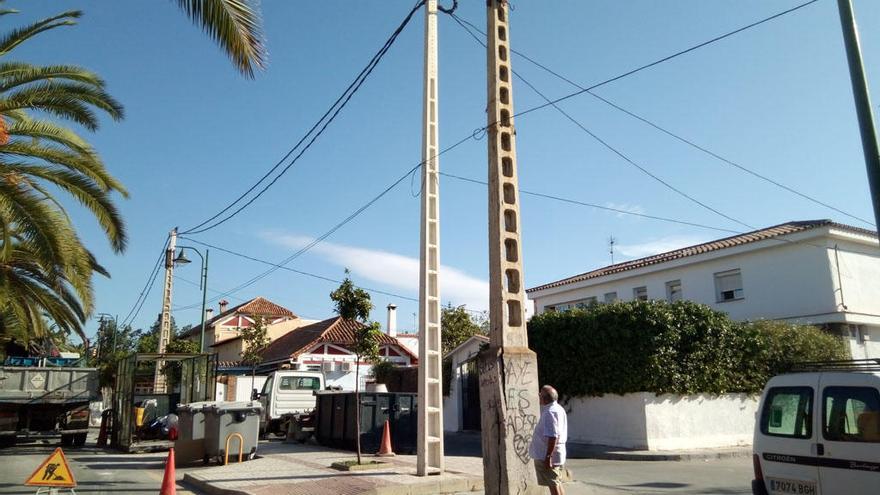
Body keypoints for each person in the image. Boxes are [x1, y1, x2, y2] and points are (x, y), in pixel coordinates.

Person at [529, 385, 568, 495]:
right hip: (555, 454)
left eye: (540, 394)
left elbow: (553, 436)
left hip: (548, 456)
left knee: (554, 486)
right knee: (557, 483)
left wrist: (548, 457)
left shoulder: (550, 412)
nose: (538, 396)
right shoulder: (558, 409)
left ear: (544, 398)